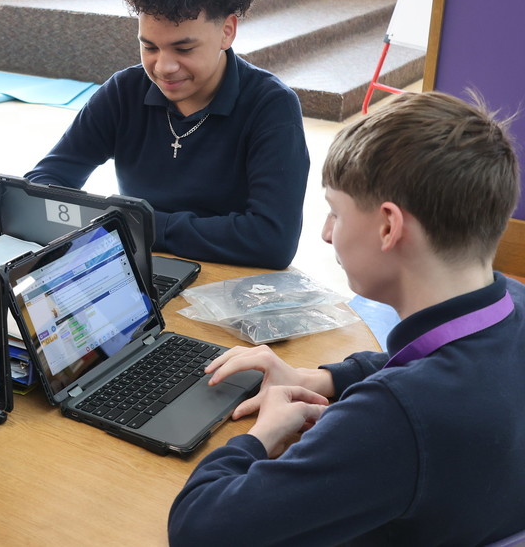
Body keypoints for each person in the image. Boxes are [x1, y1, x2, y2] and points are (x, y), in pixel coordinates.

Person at [168, 92, 525, 545]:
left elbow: (200, 530)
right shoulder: (510, 302)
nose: (325, 232)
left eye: (336, 211)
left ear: (388, 227)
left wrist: (261, 434)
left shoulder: (395, 418)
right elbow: (441, 364)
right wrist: (323, 379)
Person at [25, 0, 308, 269]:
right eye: (150, 47)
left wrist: (139, 224)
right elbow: (42, 186)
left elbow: (272, 240)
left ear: (227, 31)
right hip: (141, 271)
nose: (163, 67)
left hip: (234, 283)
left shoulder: (270, 106)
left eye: (184, 49)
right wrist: (126, 225)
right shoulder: (124, 92)